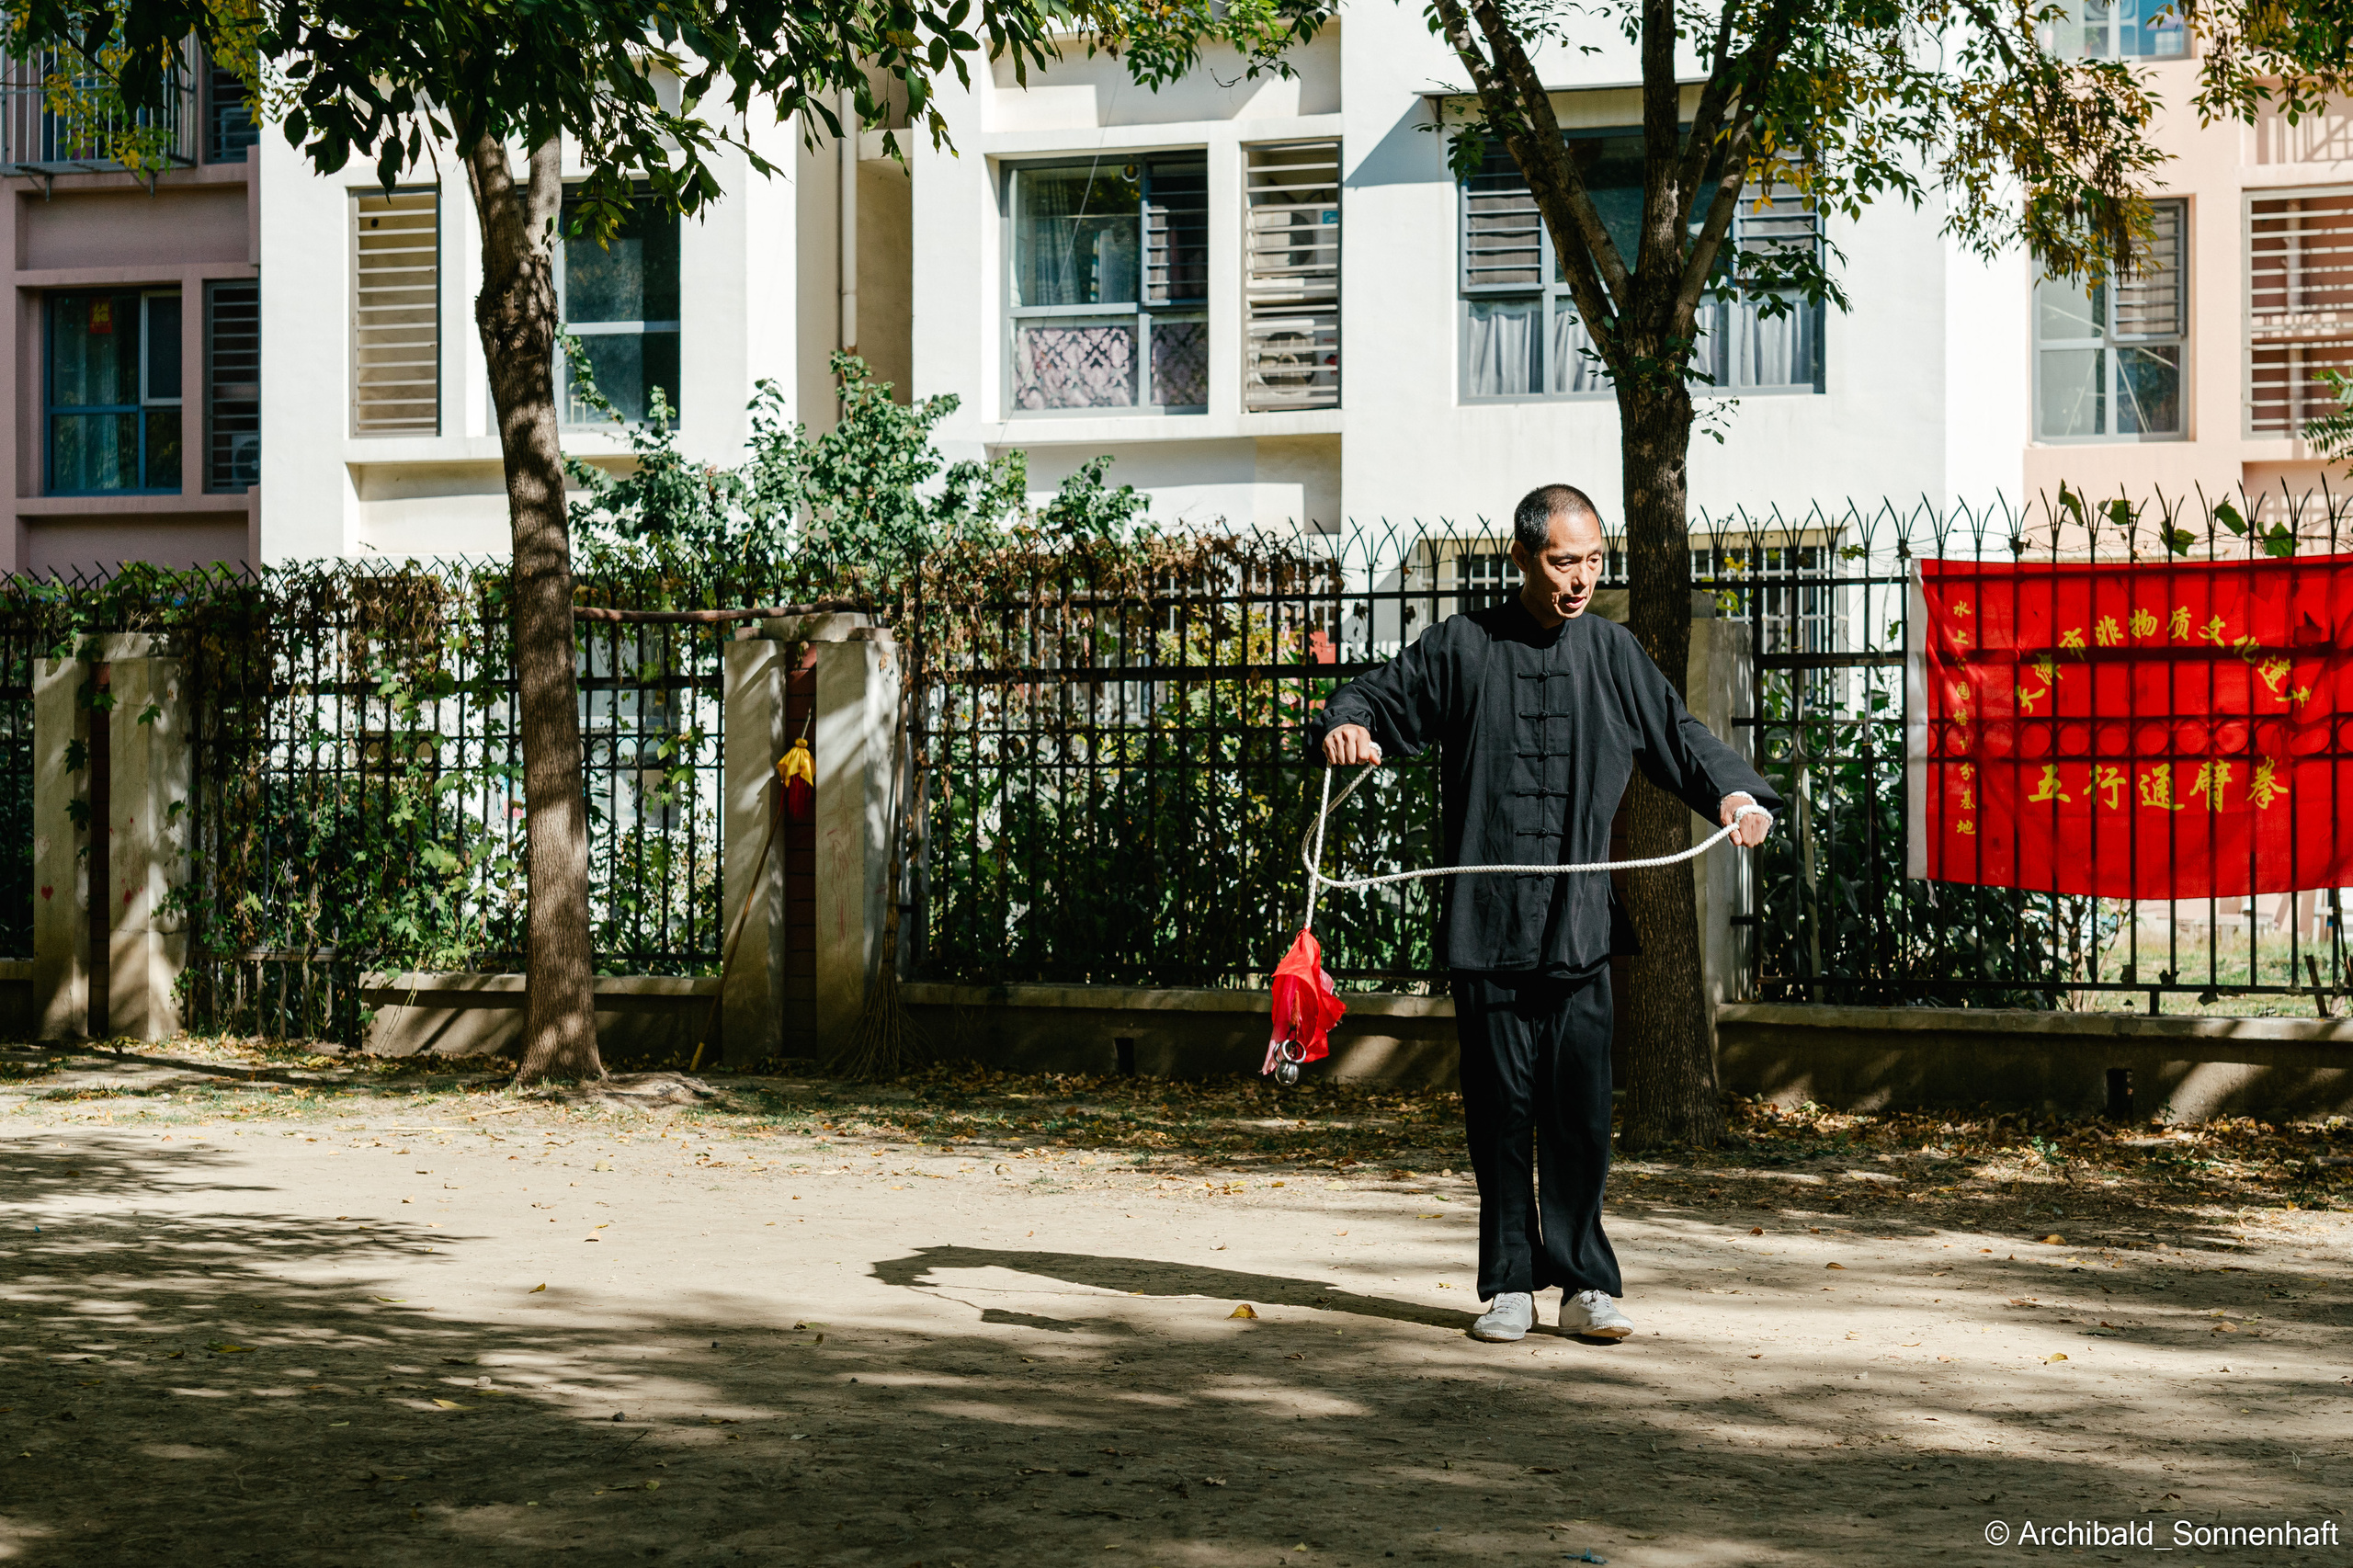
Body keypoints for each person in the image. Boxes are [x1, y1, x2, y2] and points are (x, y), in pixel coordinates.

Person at [1308, 484, 1780, 1342]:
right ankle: (1510, 1287)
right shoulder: (1462, 646)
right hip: (1486, 929)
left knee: (1578, 1111)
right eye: (1565, 562)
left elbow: (1680, 739)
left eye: (1595, 562)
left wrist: (1737, 794)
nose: (1582, 580)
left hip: (1580, 927)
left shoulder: (1612, 652)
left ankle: (1583, 1285)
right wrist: (1350, 726)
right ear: (1522, 556)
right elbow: (1374, 698)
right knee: (1500, 1111)